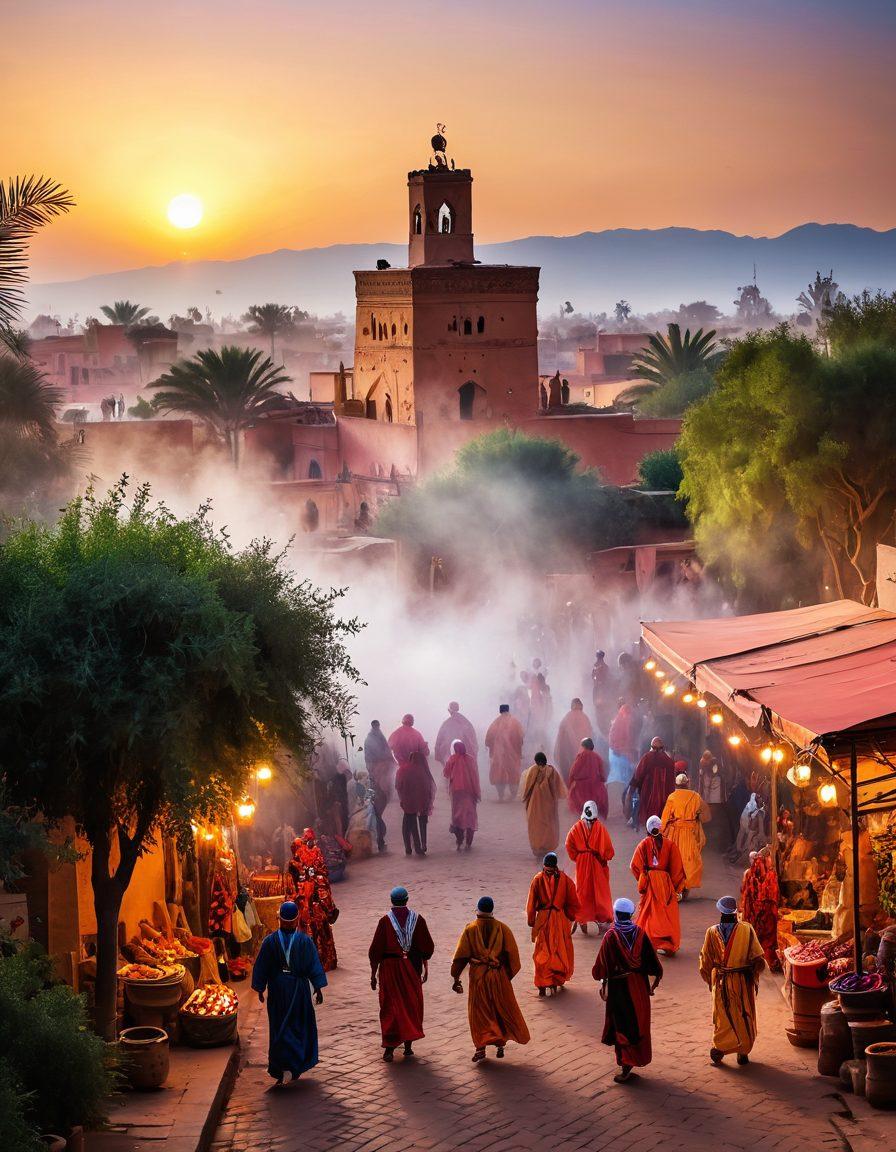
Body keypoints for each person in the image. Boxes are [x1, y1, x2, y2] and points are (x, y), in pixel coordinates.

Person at [251, 900, 327, 1086]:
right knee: (298, 1025)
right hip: (299, 990)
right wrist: (317, 987)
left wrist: (260, 988)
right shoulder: (305, 941)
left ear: (280, 919)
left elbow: (261, 966)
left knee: (279, 1026)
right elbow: (313, 965)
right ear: (296, 919)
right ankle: (294, 1064)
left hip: (277, 989)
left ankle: (283, 1066)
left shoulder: (269, 941)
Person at [450, 896, 530, 1062]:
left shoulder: (470, 929)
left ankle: (480, 1048)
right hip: (497, 975)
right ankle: (500, 1044)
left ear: (477, 911)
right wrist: (504, 976)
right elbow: (514, 960)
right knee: (498, 1009)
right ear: (492, 911)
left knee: (479, 1012)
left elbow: (460, 958)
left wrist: (455, 978)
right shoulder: (503, 929)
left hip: (478, 977)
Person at [592, 897, 663, 1083]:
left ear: (616, 914)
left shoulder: (611, 936)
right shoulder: (640, 933)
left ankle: (626, 1065)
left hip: (620, 988)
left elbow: (601, 966)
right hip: (638, 986)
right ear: (631, 914)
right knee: (638, 1022)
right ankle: (632, 1061)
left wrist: (602, 981)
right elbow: (653, 964)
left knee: (622, 1024)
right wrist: (651, 984)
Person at [369, 886, 435, 1062]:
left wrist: (373, 974)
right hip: (411, 967)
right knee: (410, 1004)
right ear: (406, 900)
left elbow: (375, 950)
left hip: (389, 969)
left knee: (390, 1006)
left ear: (392, 901)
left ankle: (389, 1049)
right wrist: (422, 962)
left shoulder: (384, 921)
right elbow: (428, 947)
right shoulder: (417, 919)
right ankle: (408, 1047)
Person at [699, 896, 766, 1065]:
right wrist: (752, 975)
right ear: (736, 912)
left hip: (722, 981)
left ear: (720, 911)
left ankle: (720, 1048)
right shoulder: (747, 929)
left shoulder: (711, 931)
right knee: (743, 1015)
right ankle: (742, 1050)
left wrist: (709, 979)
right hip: (742, 982)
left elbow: (705, 960)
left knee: (722, 1016)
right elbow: (759, 959)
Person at [631, 815, 686, 955]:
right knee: (666, 912)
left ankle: (650, 940)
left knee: (649, 912)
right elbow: (677, 868)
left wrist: (643, 877)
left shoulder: (643, 844)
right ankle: (667, 943)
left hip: (650, 882)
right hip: (665, 883)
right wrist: (676, 888)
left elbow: (634, 866)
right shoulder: (670, 844)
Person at [526, 852, 579, 995]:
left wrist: (532, 921)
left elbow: (531, 904)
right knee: (559, 950)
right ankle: (555, 981)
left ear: (544, 865)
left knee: (542, 952)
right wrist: (571, 917)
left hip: (543, 920)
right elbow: (573, 902)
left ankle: (543, 984)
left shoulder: (537, 879)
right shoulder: (566, 880)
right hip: (560, 919)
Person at [288, 830, 340, 970]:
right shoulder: (297, 864)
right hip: (309, 905)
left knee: (316, 930)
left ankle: (319, 961)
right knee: (317, 930)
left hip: (311, 905)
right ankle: (323, 960)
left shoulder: (301, 864)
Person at [565, 800, 615, 933]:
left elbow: (569, 844)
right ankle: (602, 919)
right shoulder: (599, 827)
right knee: (600, 891)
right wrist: (603, 858)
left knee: (582, 890)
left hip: (582, 864)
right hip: (597, 863)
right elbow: (609, 851)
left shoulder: (576, 827)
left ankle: (581, 917)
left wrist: (577, 857)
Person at [661, 772, 710, 897]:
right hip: (689, 834)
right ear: (687, 783)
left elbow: (665, 818)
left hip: (674, 834)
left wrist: (661, 833)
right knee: (689, 861)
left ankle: (675, 888)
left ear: (676, 784)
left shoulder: (672, 797)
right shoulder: (696, 796)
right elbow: (705, 816)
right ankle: (685, 889)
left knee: (673, 860)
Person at [518, 752, 567, 857]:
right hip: (548, 804)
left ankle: (537, 847)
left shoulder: (531, 771)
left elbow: (526, 789)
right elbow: (556, 790)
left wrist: (525, 800)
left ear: (536, 761)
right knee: (549, 825)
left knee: (535, 825)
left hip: (534, 804)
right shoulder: (551, 771)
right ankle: (548, 847)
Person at [740, 850, 781, 971]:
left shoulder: (749, 873)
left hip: (753, 911)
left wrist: (744, 909)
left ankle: (753, 961)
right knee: (768, 938)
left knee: (754, 935)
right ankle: (771, 963)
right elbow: (774, 894)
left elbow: (744, 892)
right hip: (767, 911)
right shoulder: (771, 874)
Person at [627, 737, 676, 829]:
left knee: (650, 826)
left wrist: (631, 790)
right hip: (665, 801)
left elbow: (638, 775)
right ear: (663, 748)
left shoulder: (647, 757)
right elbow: (672, 783)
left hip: (648, 799)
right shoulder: (669, 762)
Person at [395, 748, 436, 857]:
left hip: (408, 801)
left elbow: (398, 785)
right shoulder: (423, 771)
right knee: (423, 823)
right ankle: (422, 845)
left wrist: (402, 798)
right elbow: (429, 788)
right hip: (422, 801)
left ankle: (409, 848)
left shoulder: (403, 770)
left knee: (408, 824)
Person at [364, 720, 395, 853]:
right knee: (376, 811)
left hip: (380, 776)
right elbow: (374, 758)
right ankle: (380, 840)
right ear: (374, 726)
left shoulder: (377, 738)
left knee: (377, 811)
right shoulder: (371, 740)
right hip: (376, 777)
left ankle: (380, 839)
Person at [443, 739, 481, 850]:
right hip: (470, 792)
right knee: (470, 815)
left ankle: (459, 840)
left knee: (457, 815)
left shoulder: (452, 759)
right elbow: (475, 775)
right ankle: (469, 842)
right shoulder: (471, 759)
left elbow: (446, 773)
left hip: (456, 793)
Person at [484, 704, 525, 801]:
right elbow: (520, 737)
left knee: (498, 773)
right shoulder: (515, 722)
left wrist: (491, 748)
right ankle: (513, 795)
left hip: (498, 755)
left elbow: (489, 738)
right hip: (513, 754)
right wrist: (518, 750)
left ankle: (501, 796)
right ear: (508, 710)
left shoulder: (495, 723)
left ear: (500, 711)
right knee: (513, 773)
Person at [553, 698, 594, 783]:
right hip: (583, 756)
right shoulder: (585, 718)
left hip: (567, 757)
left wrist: (557, 755)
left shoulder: (567, 717)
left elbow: (559, 739)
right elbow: (590, 736)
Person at [567, 738, 608, 819]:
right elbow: (603, 775)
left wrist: (570, 782)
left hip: (581, 788)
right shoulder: (597, 757)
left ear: (584, 746)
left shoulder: (581, 755)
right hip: (595, 786)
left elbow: (573, 771)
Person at [434, 702, 478, 768]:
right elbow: (473, 741)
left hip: (450, 761)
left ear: (449, 711)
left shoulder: (446, 724)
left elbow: (439, 742)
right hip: (466, 761)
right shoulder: (467, 723)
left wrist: (438, 755)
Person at [608, 698, 638, 788]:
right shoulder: (629, 718)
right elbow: (630, 735)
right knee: (627, 777)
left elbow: (613, 736)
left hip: (618, 753)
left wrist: (615, 747)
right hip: (625, 753)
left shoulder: (618, 719)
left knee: (620, 778)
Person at [591, 650, 615, 735]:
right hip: (600, 695)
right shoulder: (597, 667)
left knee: (602, 718)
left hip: (602, 696)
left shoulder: (602, 668)